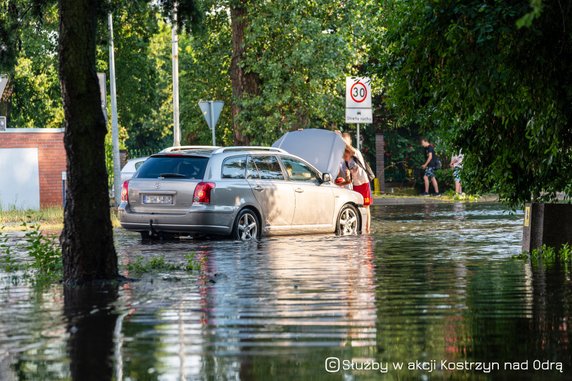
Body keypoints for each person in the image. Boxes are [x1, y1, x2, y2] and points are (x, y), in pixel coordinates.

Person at [342, 133, 372, 233]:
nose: (345, 157)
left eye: (346, 156)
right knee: (357, 207)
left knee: (366, 206)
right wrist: (345, 179)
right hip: (356, 185)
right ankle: (360, 228)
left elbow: (348, 147)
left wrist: (339, 139)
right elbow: (348, 179)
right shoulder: (345, 160)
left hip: (364, 183)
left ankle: (367, 229)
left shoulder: (356, 153)